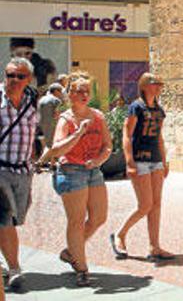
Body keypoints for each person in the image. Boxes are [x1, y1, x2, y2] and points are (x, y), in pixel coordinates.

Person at [37, 72, 111, 287]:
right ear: (69, 94)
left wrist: (99, 159)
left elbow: (108, 145)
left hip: (93, 171)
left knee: (99, 217)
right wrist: (78, 133)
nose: (84, 94)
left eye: (87, 91)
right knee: (77, 221)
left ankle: (71, 251)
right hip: (70, 171)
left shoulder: (97, 116)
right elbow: (57, 149)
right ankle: (82, 267)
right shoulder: (65, 119)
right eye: (79, 91)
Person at [110, 73, 174, 262]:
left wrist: (164, 160)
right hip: (140, 159)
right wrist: (129, 162)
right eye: (155, 84)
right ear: (145, 86)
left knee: (156, 205)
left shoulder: (159, 110)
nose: (159, 88)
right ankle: (120, 234)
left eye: (160, 85)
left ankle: (155, 247)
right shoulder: (136, 107)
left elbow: (159, 137)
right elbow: (127, 134)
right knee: (145, 205)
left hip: (155, 160)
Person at [0, 58, 39, 289]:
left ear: (29, 79)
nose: (14, 80)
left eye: (20, 76)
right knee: (5, 218)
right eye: (10, 75)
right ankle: (15, 269)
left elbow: (33, 134)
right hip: (0, 170)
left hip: (23, 171)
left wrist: (34, 163)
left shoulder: (31, 102)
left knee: (14, 218)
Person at [36, 83, 64, 155]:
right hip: (51, 124)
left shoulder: (41, 99)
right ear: (56, 91)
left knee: (44, 143)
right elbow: (57, 114)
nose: (61, 94)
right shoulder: (56, 100)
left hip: (39, 124)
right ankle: (46, 161)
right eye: (60, 91)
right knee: (52, 144)